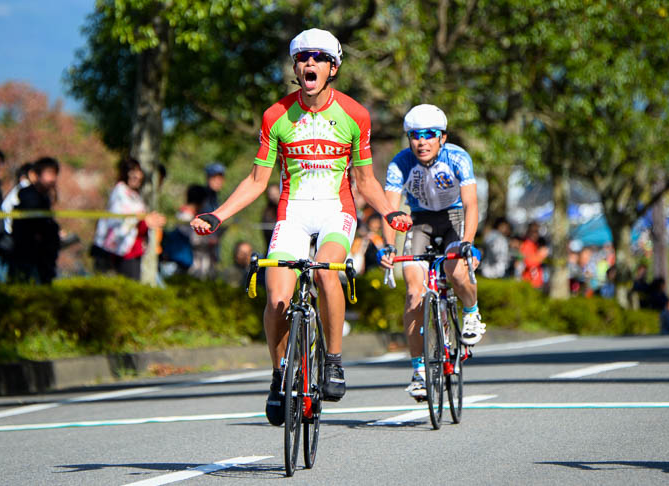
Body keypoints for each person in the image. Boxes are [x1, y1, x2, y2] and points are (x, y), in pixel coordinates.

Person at [190, 28, 412, 425]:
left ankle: (334, 360)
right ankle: (279, 377)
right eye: (303, 57)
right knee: (276, 297)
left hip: (334, 212)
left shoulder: (354, 115)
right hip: (292, 214)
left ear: (333, 67)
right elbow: (258, 181)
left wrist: (387, 213)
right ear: (296, 67)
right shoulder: (276, 116)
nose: (310, 63)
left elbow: (365, 181)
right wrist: (218, 215)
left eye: (319, 57)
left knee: (328, 274)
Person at [378, 104, 483, 400]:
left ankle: (472, 313)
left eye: (429, 135)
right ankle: (419, 371)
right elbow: (391, 209)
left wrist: (468, 241)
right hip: (420, 221)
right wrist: (388, 246)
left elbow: (471, 204)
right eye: (414, 135)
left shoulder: (458, 157)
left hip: (454, 219)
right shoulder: (400, 163)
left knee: (455, 270)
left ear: (442, 138)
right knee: (413, 291)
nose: (421, 141)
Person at [92, 157, 165, 280]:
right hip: (122, 250)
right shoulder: (120, 192)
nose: (137, 176)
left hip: (134, 249)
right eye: (133, 173)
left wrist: (149, 221)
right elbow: (120, 219)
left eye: (138, 172)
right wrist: (144, 221)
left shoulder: (135, 196)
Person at [8, 157, 61, 284]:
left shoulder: (45, 198)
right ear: (37, 175)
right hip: (27, 257)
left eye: (54, 174)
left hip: (44, 259)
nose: (52, 179)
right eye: (49, 173)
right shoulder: (28, 196)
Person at [520, 222, 548, 289]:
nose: (535, 234)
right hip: (529, 281)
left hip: (537, 281)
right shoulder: (526, 244)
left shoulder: (536, 244)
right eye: (532, 231)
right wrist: (541, 255)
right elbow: (529, 261)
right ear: (528, 232)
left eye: (537, 231)